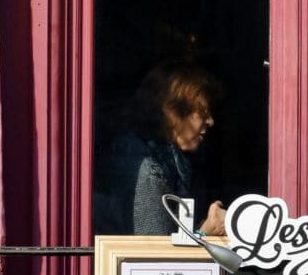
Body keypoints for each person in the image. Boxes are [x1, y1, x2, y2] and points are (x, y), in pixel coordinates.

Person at [93, 62, 221, 237]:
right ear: (172, 112)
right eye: (202, 112)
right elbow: (154, 259)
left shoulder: (173, 162)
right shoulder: (147, 172)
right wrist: (206, 233)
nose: (210, 121)